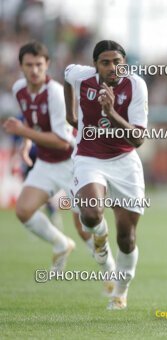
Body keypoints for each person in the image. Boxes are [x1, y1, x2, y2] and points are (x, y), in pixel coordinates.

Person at [2, 41, 107, 275]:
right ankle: (61, 243)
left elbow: (61, 140)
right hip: (47, 163)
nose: (34, 70)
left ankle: (109, 269)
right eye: (29, 65)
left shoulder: (56, 93)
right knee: (23, 210)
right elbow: (32, 119)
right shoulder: (20, 89)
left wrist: (23, 133)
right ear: (21, 66)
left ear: (47, 64)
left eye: (39, 64)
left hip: (72, 162)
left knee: (84, 226)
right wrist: (27, 142)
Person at [64, 40, 148, 310]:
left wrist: (111, 113)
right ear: (96, 65)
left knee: (127, 237)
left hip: (125, 160)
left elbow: (138, 139)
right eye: (106, 62)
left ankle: (120, 293)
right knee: (90, 215)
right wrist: (70, 114)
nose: (113, 68)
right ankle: (100, 244)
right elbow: (66, 76)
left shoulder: (136, 85)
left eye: (118, 62)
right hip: (89, 157)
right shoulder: (83, 78)